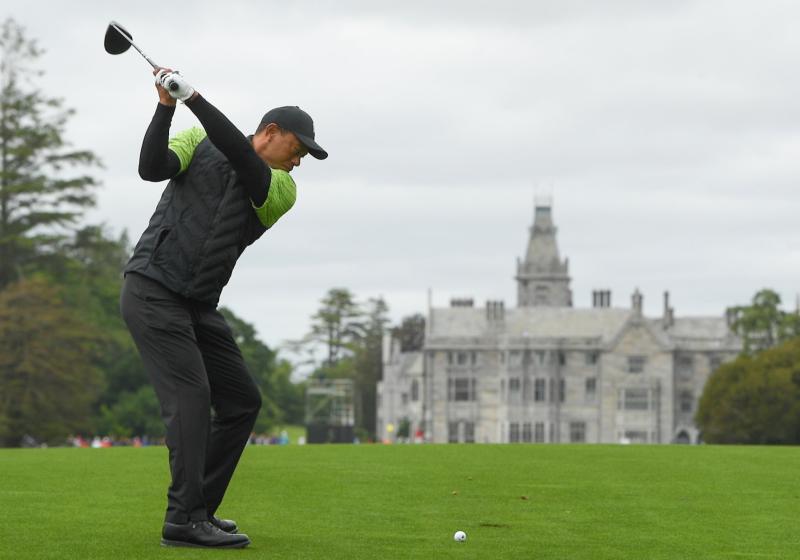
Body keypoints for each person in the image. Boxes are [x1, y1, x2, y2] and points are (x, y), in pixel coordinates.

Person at [120, 68, 327, 549]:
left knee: (241, 400)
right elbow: (151, 169)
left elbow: (242, 158)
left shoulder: (280, 189)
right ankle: (184, 519)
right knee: (192, 397)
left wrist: (194, 96)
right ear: (270, 133)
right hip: (152, 289)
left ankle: (200, 508)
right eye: (297, 149)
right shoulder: (196, 139)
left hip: (196, 304)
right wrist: (167, 106)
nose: (299, 162)